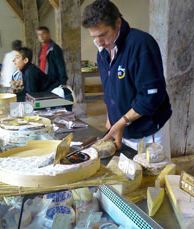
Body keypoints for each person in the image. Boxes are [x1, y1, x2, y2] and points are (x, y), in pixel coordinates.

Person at [82, 0, 172, 155]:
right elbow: (110, 88)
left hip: (147, 132)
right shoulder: (102, 51)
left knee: (153, 177)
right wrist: (111, 117)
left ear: (117, 23)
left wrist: (122, 122)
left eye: (103, 35)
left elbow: (151, 97)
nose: (99, 42)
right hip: (122, 129)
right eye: (94, 37)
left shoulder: (141, 44)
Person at [37, 26, 69, 98]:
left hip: (52, 81)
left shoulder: (54, 48)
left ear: (48, 34)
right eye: (39, 35)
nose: (41, 36)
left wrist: (63, 81)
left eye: (43, 33)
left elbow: (61, 65)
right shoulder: (41, 49)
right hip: (44, 81)